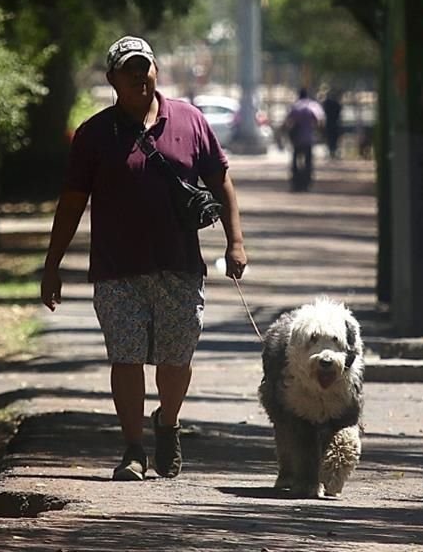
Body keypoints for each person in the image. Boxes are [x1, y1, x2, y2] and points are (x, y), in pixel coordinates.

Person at [40, 36, 248, 481]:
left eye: (145, 66)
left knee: (176, 358)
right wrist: (52, 264)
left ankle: (167, 424)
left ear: (156, 70)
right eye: (128, 69)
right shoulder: (94, 135)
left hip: (179, 264)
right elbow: (72, 202)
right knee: (126, 356)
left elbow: (221, 181)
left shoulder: (189, 121)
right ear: (112, 78)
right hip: (118, 267)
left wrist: (235, 241)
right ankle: (133, 448)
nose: (139, 75)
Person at [282, 88, 324, 192]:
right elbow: (320, 121)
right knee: (308, 161)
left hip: (297, 139)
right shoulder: (313, 106)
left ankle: (296, 181)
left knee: (295, 160)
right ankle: (307, 182)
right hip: (309, 138)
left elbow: (288, 121)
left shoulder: (296, 106)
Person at [322, 89, 343, 159]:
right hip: (335, 124)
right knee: (334, 139)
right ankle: (333, 152)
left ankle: (332, 152)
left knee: (330, 139)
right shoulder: (336, 104)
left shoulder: (327, 103)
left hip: (330, 124)